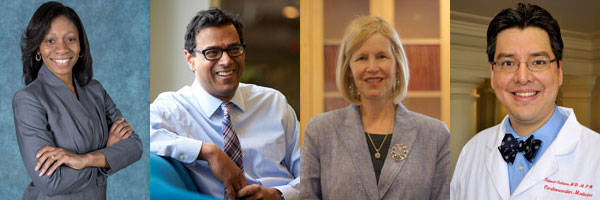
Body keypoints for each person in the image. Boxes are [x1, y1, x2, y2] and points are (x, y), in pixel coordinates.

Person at [451, 3, 600, 199]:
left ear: (559, 71)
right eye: (508, 63)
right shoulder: (471, 151)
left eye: (538, 62)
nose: (522, 77)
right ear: (493, 74)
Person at [150, 8, 300, 200]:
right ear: (190, 59)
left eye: (234, 49)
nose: (227, 60)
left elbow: (309, 175)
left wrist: (279, 194)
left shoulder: (273, 102)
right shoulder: (173, 109)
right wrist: (208, 152)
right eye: (212, 52)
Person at [300, 16, 450, 200]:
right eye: (362, 58)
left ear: (397, 64)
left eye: (381, 57)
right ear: (349, 69)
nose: (372, 67)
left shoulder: (435, 135)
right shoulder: (320, 131)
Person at [13, 2, 143, 199]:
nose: (62, 49)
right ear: (38, 48)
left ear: (81, 46)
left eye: (70, 39)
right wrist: (107, 155)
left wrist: (84, 160)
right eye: (50, 41)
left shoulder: (95, 90)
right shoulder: (28, 100)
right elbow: (52, 182)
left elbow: (135, 146)